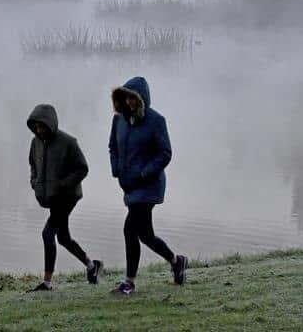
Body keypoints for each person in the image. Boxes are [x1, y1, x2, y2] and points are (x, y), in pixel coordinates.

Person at [109, 76, 188, 296]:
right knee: (145, 234)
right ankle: (176, 261)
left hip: (149, 186)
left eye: (134, 99)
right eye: (127, 98)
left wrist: (144, 173)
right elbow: (112, 147)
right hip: (129, 186)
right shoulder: (119, 120)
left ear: (142, 99)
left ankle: (129, 282)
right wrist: (115, 168)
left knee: (129, 230)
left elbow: (165, 153)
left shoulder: (156, 121)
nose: (130, 103)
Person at [26, 103, 103, 291]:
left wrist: (63, 184)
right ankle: (92, 266)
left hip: (67, 197)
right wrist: (34, 182)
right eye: (36, 126)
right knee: (63, 237)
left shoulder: (68, 142)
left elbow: (82, 169)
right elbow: (33, 166)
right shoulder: (35, 142)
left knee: (47, 233)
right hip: (51, 197)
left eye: (42, 126)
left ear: (51, 124)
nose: (39, 129)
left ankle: (47, 282)